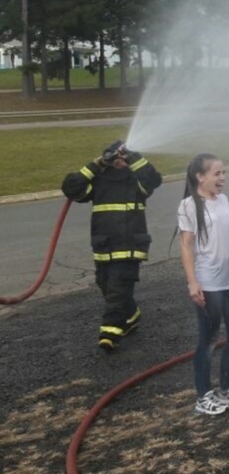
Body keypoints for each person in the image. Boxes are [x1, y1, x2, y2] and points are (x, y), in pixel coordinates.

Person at [61, 140, 162, 351]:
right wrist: (97, 164)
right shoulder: (99, 181)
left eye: (122, 159)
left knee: (117, 290)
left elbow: (153, 178)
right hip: (104, 248)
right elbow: (70, 187)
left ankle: (110, 332)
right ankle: (132, 315)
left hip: (129, 248)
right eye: (115, 159)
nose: (119, 162)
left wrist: (132, 155)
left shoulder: (138, 183)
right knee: (105, 285)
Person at [178, 154, 229, 416]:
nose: (222, 178)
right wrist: (192, 281)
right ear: (201, 176)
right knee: (209, 340)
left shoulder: (224, 200)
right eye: (217, 173)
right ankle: (202, 395)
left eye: (224, 173)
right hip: (209, 281)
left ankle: (226, 385)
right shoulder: (189, 205)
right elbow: (186, 245)